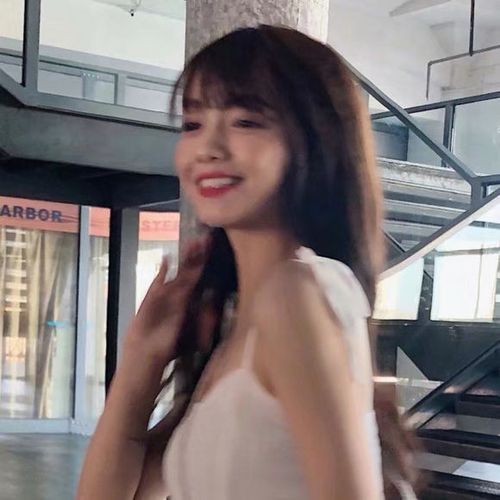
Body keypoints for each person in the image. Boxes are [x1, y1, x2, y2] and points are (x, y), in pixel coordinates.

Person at [77, 25, 418, 500]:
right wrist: (142, 354)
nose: (209, 148)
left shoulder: (298, 293)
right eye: (192, 124)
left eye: (246, 121)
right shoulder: (238, 330)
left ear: (314, 141)